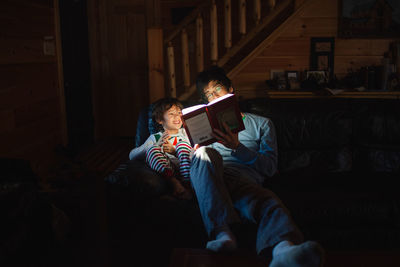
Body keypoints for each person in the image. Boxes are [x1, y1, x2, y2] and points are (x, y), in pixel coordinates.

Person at [190, 66, 325, 266]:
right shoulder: (201, 126)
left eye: (217, 88)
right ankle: (222, 232)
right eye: (207, 94)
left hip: (243, 180)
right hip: (210, 176)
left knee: (268, 202)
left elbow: (269, 168)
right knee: (202, 155)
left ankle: (284, 252)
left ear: (230, 89)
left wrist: (237, 147)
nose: (213, 96)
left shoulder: (262, 124)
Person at [129, 97, 192, 199]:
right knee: (152, 149)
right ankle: (174, 183)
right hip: (168, 171)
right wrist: (155, 145)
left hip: (186, 169)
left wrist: (175, 152)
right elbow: (132, 155)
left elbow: (195, 153)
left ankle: (187, 184)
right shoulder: (156, 137)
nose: (177, 116)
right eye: (171, 114)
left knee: (182, 145)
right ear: (160, 120)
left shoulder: (186, 133)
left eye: (179, 113)